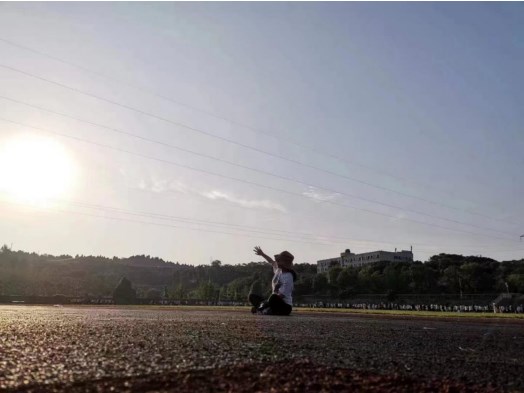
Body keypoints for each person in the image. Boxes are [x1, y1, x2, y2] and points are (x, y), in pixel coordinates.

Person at [249, 246, 296, 316]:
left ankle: (262, 309)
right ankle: (266, 309)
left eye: (279, 260)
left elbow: (281, 296)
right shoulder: (278, 270)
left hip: (284, 306)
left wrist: (264, 304)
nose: (277, 262)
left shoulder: (288, 277)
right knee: (252, 296)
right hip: (272, 302)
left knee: (273, 297)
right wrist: (262, 254)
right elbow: (270, 261)